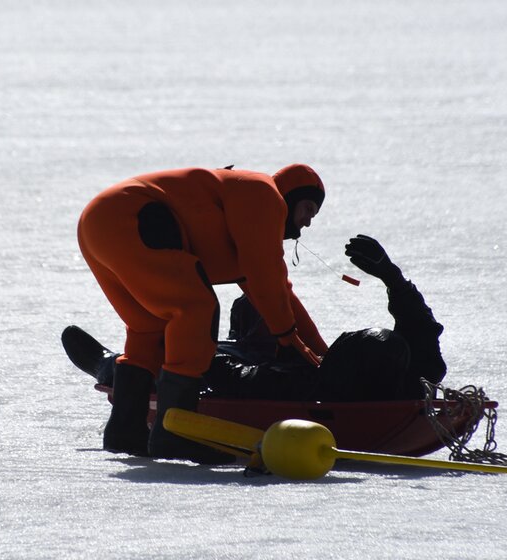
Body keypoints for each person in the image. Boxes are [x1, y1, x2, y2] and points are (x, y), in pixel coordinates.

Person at [76, 164, 328, 463]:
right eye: (307, 209)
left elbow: (276, 292)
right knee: (196, 309)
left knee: (149, 328)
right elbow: (265, 276)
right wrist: (287, 338)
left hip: (97, 222)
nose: (307, 222)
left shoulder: (245, 210)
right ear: (290, 196)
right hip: (132, 214)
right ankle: (174, 434)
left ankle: (125, 431)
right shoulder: (264, 195)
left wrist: (321, 354)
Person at [64, 234, 447, 417]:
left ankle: (108, 364)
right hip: (271, 356)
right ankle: (241, 337)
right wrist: (391, 277)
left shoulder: (304, 389)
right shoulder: (417, 375)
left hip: (248, 367)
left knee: (173, 357)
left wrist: (181, 341)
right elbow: (421, 329)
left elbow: (229, 376)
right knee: (257, 304)